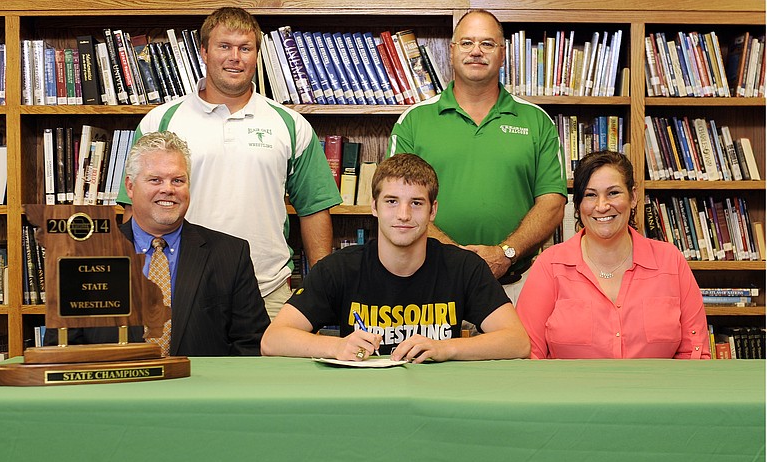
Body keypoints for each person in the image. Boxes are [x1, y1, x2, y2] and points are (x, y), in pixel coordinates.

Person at [116, 7, 342, 319]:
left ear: (256, 55)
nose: (235, 57)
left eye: (245, 48)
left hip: (269, 291)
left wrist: (320, 290)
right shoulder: (160, 121)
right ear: (204, 52)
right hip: (176, 289)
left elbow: (314, 209)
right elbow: (135, 207)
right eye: (224, 46)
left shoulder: (290, 123)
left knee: (271, 369)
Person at [261, 153, 530, 363]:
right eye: (391, 201)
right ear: (374, 206)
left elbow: (517, 341)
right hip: (363, 399)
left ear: (432, 210)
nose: (403, 214)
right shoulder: (340, 268)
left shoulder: (463, 267)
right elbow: (272, 341)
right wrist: (337, 346)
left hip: (437, 397)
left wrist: (445, 348)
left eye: (416, 203)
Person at [387, 9, 567, 303]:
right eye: (467, 43)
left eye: (487, 43)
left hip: (516, 286)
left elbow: (552, 203)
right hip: (429, 283)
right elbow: (393, 201)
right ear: (452, 50)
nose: (476, 52)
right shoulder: (414, 121)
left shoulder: (537, 121)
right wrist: (455, 257)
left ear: (503, 53)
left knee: (517, 351)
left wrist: (504, 253)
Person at [47, 131, 269, 356]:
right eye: (155, 180)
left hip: (200, 387)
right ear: (130, 187)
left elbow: (250, 343)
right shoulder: (84, 256)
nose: (168, 189)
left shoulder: (230, 254)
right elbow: (62, 348)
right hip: (115, 388)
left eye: (178, 180)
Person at [516, 151, 710, 359]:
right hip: (571, 391)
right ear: (579, 204)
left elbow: (694, 353)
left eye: (613, 193)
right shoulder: (550, 265)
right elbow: (529, 355)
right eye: (591, 195)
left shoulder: (670, 261)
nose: (602, 206)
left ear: (633, 197)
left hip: (656, 391)